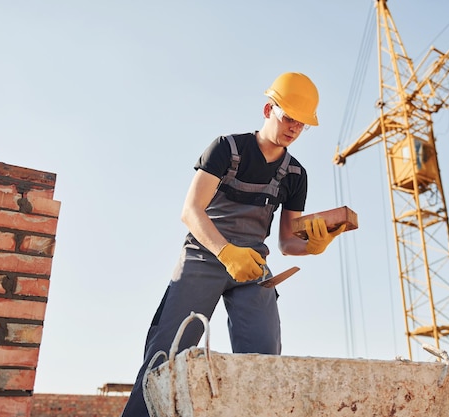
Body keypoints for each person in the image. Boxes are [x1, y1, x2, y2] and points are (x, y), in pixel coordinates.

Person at [120, 72, 346, 417]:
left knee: (264, 360)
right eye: (288, 118)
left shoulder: (296, 175)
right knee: (166, 354)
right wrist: (225, 251)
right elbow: (190, 210)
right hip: (204, 255)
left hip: (252, 267)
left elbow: (287, 241)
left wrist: (314, 245)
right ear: (268, 109)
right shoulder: (226, 148)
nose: (293, 129)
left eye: (302, 125)